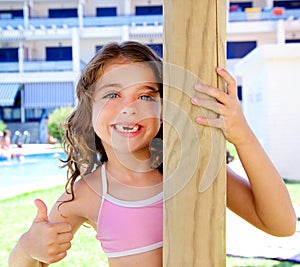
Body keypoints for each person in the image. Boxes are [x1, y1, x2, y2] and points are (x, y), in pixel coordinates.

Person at [8, 41, 296, 267]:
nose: (129, 107)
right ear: (89, 110)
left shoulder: (191, 167)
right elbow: (26, 263)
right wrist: (27, 248)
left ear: (163, 109)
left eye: (146, 95)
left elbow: (281, 225)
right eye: (112, 94)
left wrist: (242, 135)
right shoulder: (89, 193)